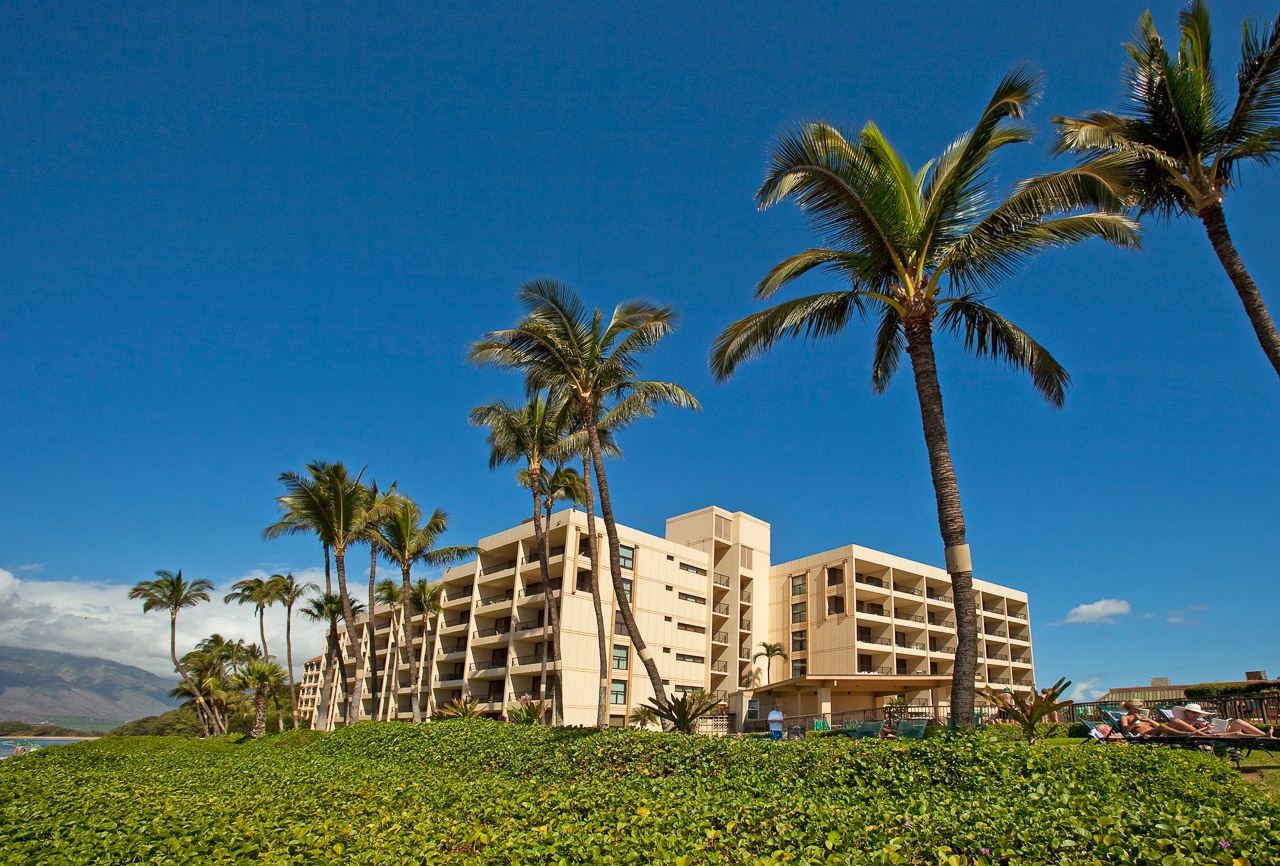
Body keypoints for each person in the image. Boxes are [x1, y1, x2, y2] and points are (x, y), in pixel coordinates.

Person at [1170, 703, 1273, 737]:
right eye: (1193, 712)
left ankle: (1265, 736)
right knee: (1236, 733)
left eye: (1197, 713)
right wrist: (1206, 729)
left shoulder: (1200, 720)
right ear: (1185, 712)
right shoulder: (1185, 723)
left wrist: (1223, 725)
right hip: (1209, 736)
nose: (1195, 715)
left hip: (1219, 732)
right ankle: (1263, 736)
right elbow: (1194, 734)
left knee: (1238, 722)